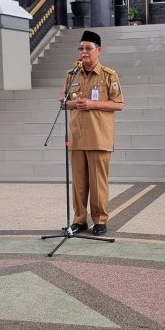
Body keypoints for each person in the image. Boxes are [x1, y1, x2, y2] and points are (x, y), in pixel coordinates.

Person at [62, 30, 124, 236]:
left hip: (99, 137)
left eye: (88, 48)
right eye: (80, 48)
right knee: (79, 183)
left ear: (99, 50)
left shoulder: (108, 75)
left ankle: (100, 220)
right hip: (78, 137)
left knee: (98, 183)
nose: (83, 52)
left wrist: (92, 104)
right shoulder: (72, 75)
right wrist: (74, 103)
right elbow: (63, 103)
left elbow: (119, 104)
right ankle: (79, 220)